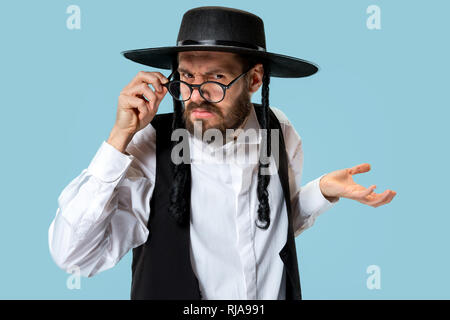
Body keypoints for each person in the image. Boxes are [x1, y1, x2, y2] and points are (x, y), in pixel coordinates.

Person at [48, 6, 396, 300]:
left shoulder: (279, 130)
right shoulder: (148, 145)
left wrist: (320, 191)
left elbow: (268, 227)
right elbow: (75, 257)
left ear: (255, 80)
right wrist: (118, 138)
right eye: (186, 77)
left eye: (216, 77)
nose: (196, 95)